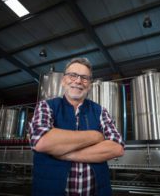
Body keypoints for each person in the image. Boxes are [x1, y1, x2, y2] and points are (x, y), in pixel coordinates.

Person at [29, 57, 124, 196]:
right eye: (73, 75)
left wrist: (63, 153)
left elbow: (117, 148)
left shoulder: (100, 111)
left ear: (89, 84)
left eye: (84, 78)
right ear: (63, 80)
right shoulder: (46, 106)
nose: (78, 81)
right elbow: (41, 141)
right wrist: (95, 136)